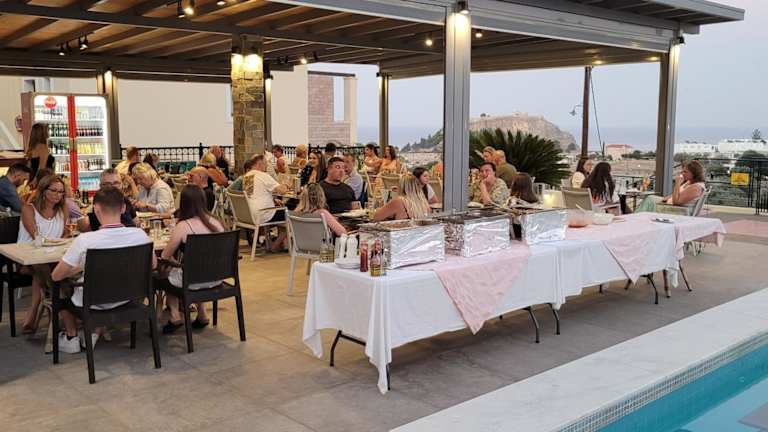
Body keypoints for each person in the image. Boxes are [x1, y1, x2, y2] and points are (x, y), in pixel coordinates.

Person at [51, 187, 155, 353]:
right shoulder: (140, 235)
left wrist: (81, 267)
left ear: (96, 209)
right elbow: (153, 265)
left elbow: (56, 275)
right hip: (128, 298)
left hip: (94, 301)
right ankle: (93, 331)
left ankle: (71, 336)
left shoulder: (85, 240)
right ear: (123, 208)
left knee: (60, 287)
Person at [160, 185, 224, 334]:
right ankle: (202, 314)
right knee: (196, 268)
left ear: (183, 203)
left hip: (193, 281)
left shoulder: (183, 226)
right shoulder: (217, 222)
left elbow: (165, 256)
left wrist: (174, 264)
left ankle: (175, 315)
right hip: (217, 277)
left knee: (164, 274)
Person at [18, 175, 70, 333]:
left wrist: (65, 237)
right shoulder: (29, 209)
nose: (57, 195)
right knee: (43, 267)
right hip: (27, 258)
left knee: (50, 267)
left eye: (61, 192)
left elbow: (64, 234)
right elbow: (36, 236)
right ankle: (60, 302)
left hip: (52, 257)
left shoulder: (62, 210)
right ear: (43, 191)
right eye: (53, 190)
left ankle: (36, 311)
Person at [243, 155, 288, 250]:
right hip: (263, 214)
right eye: (266, 164)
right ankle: (275, 245)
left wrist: (273, 200)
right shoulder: (263, 175)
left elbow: (255, 195)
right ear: (259, 164)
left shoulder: (247, 176)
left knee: (280, 210)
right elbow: (282, 191)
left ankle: (281, 244)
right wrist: (286, 184)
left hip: (250, 214)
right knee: (289, 214)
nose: (267, 166)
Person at [636, 161, 707, 213]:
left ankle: (635, 220)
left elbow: (676, 202)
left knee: (649, 200)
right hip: (669, 204)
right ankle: (637, 218)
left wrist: (677, 184)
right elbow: (677, 195)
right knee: (650, 198)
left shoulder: (696, 187)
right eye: (682, 171)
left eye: (685, 172)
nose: (682, 173)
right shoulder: (690, 182)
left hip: (676, 210)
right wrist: (665, 199)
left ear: (694, 173)